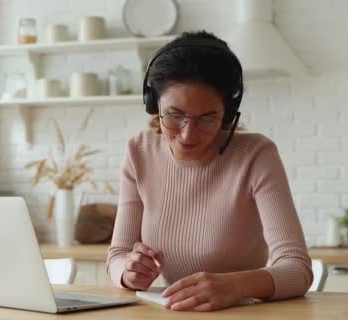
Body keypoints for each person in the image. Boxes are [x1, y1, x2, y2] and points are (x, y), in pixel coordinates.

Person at [106, 30, 312, 312]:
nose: (188, 134)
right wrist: (128, 273)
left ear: (227, 114)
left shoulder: (256, 155)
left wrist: (236, 285)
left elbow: (298, 269)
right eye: (175, 114)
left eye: (207, 118)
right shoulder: (139, 152)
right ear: (154, 105)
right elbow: (117, 255)